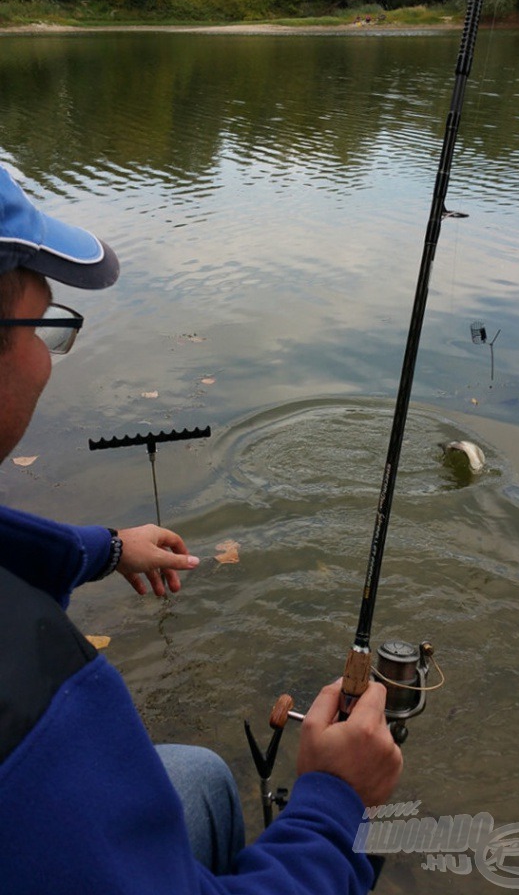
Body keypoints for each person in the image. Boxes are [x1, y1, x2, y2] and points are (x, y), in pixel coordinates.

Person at [0, 166, 403, 894]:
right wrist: (330, 805)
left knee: (198, 774)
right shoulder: (25, 690)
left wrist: (103, 549)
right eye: (43, 328)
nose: (45, 361)